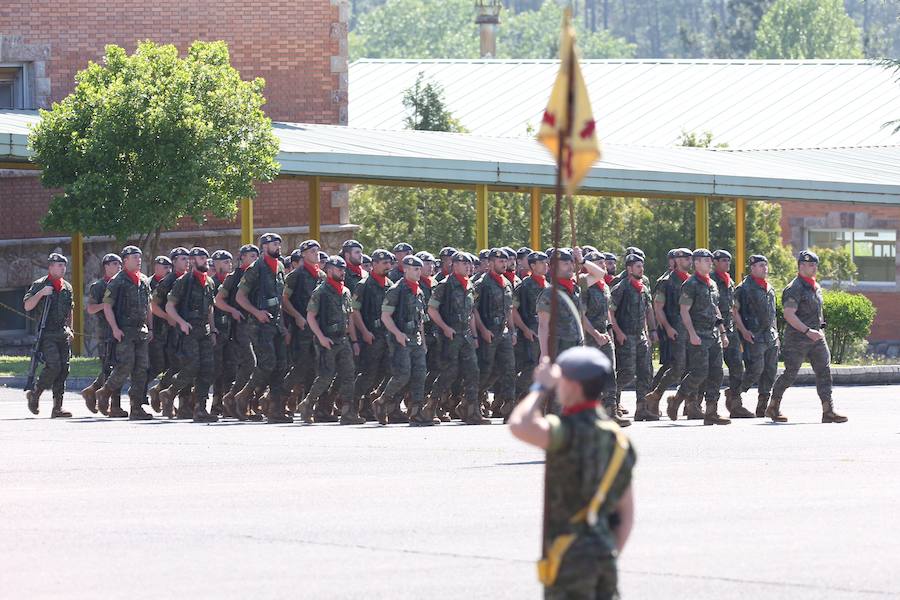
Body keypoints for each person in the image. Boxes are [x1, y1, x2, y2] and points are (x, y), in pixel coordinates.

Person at [509, 347, 636, 600]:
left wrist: (539, 388)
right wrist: (607, 552)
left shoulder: (566, 431)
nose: (558, 387)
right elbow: (626, 514)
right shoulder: (620, 441)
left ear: (575, 386)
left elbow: (519, 425)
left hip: (568, 554)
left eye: (562, 380)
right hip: (604, 553)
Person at [767, 250, 847, 424]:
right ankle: (773, 405)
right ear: (800, 266)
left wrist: (820, 328)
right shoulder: (794, 288)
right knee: (790, 373)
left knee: (824, 372)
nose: (813, 268)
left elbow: (818, 311)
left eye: (814, 265)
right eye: (809, 265)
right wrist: (807, 331)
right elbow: (789, 314)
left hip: (816, 338)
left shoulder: (814, 286)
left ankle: (828, 410)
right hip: (797, 339)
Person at [667, 249, 731, 425]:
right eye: (706, 260)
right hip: (698, 335)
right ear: (696, 263)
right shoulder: (691, 284)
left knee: (717, 373)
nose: (710, 263)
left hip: (713, 334)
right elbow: (684, 311)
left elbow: (715, 308)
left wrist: (723, 332)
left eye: (711, 260)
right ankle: (677, 399)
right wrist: (692, 334)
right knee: (699, 372)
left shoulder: (712, 284)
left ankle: (712, 412)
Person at [235, 233, 293, 423]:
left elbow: (280, 301)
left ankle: (276, 409)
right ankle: (243, 396)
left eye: (279, 243)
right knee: (267, 363)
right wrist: (257, 312)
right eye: (274, 244)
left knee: (281, 365)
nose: (278, 246)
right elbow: (240, 298)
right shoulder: (255, 268)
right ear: (264, 247)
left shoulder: (280, 267)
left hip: (275, 324)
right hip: (259, 324)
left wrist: (283, 325)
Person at [157, 247, 219, 423]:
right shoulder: (183, 281)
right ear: (192, 261)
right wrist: (181, 322)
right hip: (189, 331)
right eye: (201, 258)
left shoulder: (209, 282)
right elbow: (169, 306)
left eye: (206, 257)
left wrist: (213, 329)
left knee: (207, 369)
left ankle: (200, 408)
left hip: (204, 331)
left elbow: (210, 308)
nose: (205, 260)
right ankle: (170, 392)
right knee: (192, 366)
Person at [299, 255, 363, 425]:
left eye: (343, 269)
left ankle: (348, 412)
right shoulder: (321, 291)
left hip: (343, 339)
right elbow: (311, 317)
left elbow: (349, 319)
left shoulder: (346, 291)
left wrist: (354, 341)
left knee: (349, 375)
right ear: (328, 270)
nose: (342, 272)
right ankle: (308, 404)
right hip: (326, 339)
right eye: (338, 269)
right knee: (325, 376)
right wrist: (321, 337)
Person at [374, 255, 436, 426]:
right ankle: (382, 401)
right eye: (415, 269)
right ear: (406, 269)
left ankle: (416, 413)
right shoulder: (396, 290)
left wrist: (422, 341)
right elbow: (385, 316)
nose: (419, 272)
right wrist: (398, 334)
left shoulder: (420, 291)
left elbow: (420, 320)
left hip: (415, 339)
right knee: (402, 375)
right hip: (400, 339)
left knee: (419, 375)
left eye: (419, 268)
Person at [94, 246, 154, 420]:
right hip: (125, 331)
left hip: (141, 331)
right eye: (134, 257)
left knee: (141, 370)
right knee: (125, 365)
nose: (138, 260)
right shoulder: (117, 281)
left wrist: (150, 328)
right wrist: (114, 328)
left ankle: (136, 408)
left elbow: (148, 306)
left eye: (139, 257)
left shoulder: (143, 280)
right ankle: (105, 392)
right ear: (125, 260)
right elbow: (107, 306)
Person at [428, 251, 487, 425]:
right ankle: (430, 407)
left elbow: (471, 313)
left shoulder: (469, 285)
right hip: (450, 336)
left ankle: (471, 410)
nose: (469, 267)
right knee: (449, 372)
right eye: (464, 264)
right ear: (454, 265)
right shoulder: (445, 285)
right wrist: (445, 328)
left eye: (470, 264)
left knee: (473, 372)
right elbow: (432, 310)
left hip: (466, 336)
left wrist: (474, 334)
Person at [23, 253, 75, 417]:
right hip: (46, 333)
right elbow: (27, 306)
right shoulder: (40, 284)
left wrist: (70, 328)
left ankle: (57, 407)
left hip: (62, 332)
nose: (62, 268)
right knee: (54, 366)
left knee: (64, 368)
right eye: (58, 265)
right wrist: (41, 294)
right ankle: (35, 394)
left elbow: (70, 309)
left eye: (63, 265)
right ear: (50, 267)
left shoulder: (67, 287)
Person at [580, 251, 629, 427]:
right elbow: (581, 316)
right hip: (589, 336)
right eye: (599, 263)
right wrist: (595, 334)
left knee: (609, 372)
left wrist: (609, 331)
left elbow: (607, 313)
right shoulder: (584, 285)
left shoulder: (603, 286)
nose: (604, 266)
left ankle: (610, 411)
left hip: (604, 334)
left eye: (604, 263)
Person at [644, 248, 692, 419]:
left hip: (689, 329)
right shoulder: (666, 282)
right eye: (685, 258)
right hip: (674, 330)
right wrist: (667, 327)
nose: (690, 261)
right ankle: (655, 396)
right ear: (674, 261)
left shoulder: (690, 280)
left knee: (690, 366)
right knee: (676, 366)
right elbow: (658, 308)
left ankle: (689, 404)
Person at [215, 244, 261, 420]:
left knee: (256, 366)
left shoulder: (259, 275)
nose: (254, 258)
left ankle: (244, 404)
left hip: (259, 326)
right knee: (249, 363)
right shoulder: (234, 277)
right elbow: (218, 300)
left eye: (256, 255)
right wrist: (233, 311)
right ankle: (232, 397)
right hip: (240, 327)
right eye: (250, 255)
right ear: (242, 258)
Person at [609, 254, 655, 421]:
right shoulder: (621, 287)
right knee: (627, 372)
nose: (641, 269)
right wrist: (618, 333)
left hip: (640, 336)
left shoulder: (643, 288)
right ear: (629, 269)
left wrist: (650, 332)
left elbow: (645, 311)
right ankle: (609, 401)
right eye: (637, 267)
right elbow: (610, 312)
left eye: (642, 266)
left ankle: (642, 409)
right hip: (626, 336)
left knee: (645, 372)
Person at [732, 255, 779, 417]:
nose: (764, 268)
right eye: (760, 266)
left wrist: (776, 333)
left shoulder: (769, 288)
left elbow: (773, 314)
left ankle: (763, 406)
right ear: (752, 268)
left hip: (770, 336)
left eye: (765, 265)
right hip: (754, 334)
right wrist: (744, 331)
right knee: (755, 369)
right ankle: (735, 395)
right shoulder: (744, 288)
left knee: (770, 370)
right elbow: (734, 311)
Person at [282, 239, 325, 416]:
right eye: (313, 251)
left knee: (316, 367)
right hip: (302, 328)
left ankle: (308, 406)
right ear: (304, 254)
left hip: (318, 328)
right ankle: (276, 399)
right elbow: (284, 300)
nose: (317, 254)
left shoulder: (322, 276)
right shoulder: (295, 276)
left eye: (318, 251)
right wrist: (297, 316)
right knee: (300, 366)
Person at [352, 249, 394, 421]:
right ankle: (352, 405)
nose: (388, 266)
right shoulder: (364, 285)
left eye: (389, 263)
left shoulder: (390, 285)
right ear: (374, 264)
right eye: (384, 263)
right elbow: (354, 311)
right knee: (369, 373)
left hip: (386, 336)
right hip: (371, 335)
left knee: (388, 371)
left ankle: (370, 404)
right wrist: (364, 332)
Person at [474, 248, 516, 420]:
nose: (504, 264)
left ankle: (509, 407)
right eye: (500, 261)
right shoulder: (481, 283)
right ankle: (471, 401)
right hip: (488, 332)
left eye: (505, 261)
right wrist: (482, 330)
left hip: (503, 332)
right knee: (485, 369)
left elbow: (509, 310)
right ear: (490, 263)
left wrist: (512, 330)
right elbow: (473, 310)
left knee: (507, 369)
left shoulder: (506, 283)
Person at [712, 249, 754, 418]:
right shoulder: (711, 281)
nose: (727, 263)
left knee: (738, 367)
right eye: (723, 260)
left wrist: (740, 329)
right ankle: (694, 403)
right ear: (714, 262)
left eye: (728, 260)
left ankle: (735, 404)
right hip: (713, 329)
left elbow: (733, 308)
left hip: (730, 329)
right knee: (711, 369)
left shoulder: (729, 282)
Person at [81, 253, 123, 415]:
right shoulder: (98, 286)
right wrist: (105, 305)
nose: (118, 266)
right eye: (114, 264)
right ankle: (113, 405)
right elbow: (90, 309)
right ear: (106, 266)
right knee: (108, 367)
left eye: (119, 263)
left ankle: (93, 390)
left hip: (121, 329)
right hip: (105, 332)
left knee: (119, 366)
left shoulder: (122, 284)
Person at [512, 251, 548, 401]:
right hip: (530, 332)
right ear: (532, 266)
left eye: (546, 262)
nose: (546, 265)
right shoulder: (524, 286)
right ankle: (513, 398)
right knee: (530, 368)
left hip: (546, 331)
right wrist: (525, 329)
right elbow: (513, 309)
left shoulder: (548, 285)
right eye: (542, 263)